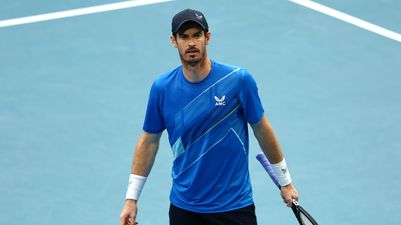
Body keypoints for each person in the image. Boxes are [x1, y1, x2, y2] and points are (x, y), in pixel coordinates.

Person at [120, 8, 298, 225]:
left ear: (207, 38)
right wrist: (131, 198)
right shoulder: (162, 88)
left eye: (197, 35)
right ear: (174, 41)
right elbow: (148, 142)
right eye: (184, 37)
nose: (191, 42)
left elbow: (262, 130)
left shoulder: (238, 80)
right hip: (184, 209)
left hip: (234, 207)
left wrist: (286, 181)